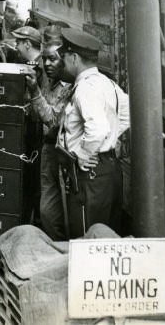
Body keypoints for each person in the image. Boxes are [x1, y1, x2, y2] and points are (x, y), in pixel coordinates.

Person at [30, 28, 130, 239]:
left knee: (86, 239)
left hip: (89, 175)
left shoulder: (85, 88)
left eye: (64, 56)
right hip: (108, 168)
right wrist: (107, 141)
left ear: (74, 57)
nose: (62, 62)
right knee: (106, 235)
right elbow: (127, 114)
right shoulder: (106, 83)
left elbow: (99, 128)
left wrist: (84, 154)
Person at [24, 37, 73, 240]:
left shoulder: (69, 87)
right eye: (44, 59)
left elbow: (52, 120)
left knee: (59, 211)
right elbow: (36, 115)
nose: (47, 64)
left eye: (52, 59)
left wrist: (35, 91)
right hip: (46, 149)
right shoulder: (47, 80)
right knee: (47, 210)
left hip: (62, 152)